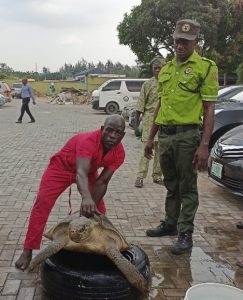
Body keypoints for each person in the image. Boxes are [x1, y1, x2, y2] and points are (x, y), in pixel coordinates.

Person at [145, 19, 218, 255]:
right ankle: (170, 224)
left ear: (196, 42)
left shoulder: (206, 67)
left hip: (188, 137)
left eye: (185, 41)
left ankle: (185, 233)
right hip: (165, 137)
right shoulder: (166, 69)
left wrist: (204, 145)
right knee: (171, 184)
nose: (179, 45)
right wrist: (150, 138)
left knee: (187, 187)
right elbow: (160, 105)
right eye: (177, 40)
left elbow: (209, 109)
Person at [15, 115, 126, 270]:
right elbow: (80, 172)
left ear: (123, 135)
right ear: (102, 129)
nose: (112, 136)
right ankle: (28, 250)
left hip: (88, 172)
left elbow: (102, 182)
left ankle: (93, 244)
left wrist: (90, 205)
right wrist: (86, 197)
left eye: (118, 132)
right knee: (42, 204)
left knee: (98, 209)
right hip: (61, 169)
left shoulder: (119, 153)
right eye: (109, 130)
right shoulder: (88, 141)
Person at [134, 56, 165, 188]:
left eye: (160, 68)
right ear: (152, 70)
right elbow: (139, 106)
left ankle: (157, 176)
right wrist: (136, 126)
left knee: (160, 152)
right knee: (146, 151)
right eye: (155, 68)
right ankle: (140, 177)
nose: (157, 70)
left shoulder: (167, 83)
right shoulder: (147, 84)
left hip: (164, 122)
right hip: (148, 121)